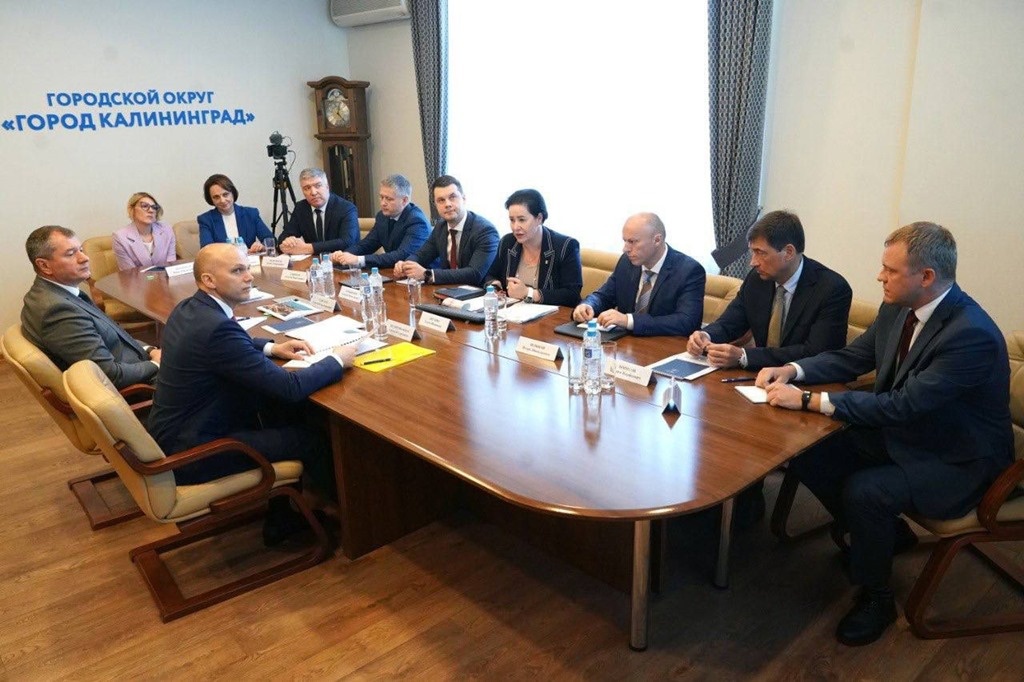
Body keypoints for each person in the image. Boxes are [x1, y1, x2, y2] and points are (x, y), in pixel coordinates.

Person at [757, 222, 1012, 646]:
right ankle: (885, 536)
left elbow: (902, 405)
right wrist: (794, 370)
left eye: (890, 270)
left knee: (866, 491)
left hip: (959, 459)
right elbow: (854, 357)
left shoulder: (971, 334)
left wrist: (809, 400)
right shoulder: (898, 308)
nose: (880, 277)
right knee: (806, 451)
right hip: (911, 434)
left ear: (926, 276)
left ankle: (877, 597)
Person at [147, 243, 356, 492]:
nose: (249, 277)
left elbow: (224, 346)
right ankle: (325, 509)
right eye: (237, 271)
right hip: (196, 452)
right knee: (310, 438)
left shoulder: (188, 309)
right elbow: (291, 387)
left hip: (175, 433)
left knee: (280, 409)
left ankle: (287, 508)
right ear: (209, 280)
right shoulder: (217, 329)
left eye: (247, 268)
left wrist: (271, 348)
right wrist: (337, 360)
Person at [687, 210, 852, 369]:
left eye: (761, 253)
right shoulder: (756, 279)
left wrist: (745, 357)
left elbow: (815, 353)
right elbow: (729, 323)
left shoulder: (832, 289)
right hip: (760, 376)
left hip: (806, 381)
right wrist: (706, 336)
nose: (753, 262)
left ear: (788, 252)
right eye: (753, 252)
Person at [20, 225, 160, 388]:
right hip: (142, 385)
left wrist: (150, 350)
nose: (84, 258)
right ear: (44, 266)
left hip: (136, 363)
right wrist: (156, 364)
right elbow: (110, 376)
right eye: (71, 254)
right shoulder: (58, 311)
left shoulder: (55, 294)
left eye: (80, 250)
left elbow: (114, 336)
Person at [572, 213, 705, 336]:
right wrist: (588, 305)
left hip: (664, 346)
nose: (625, 249)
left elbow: (686, 322)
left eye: (632, 242)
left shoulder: (689, 271)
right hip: (625, 344)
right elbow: (604, 296)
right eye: (625, 241)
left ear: (657, 240)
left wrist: (629, 320)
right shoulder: (626, 262)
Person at [393, 174, 498, 286]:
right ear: (435, 205)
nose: (447, 204)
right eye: (441, 200)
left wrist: (427, 274)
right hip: (448, 290)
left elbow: (474, 274)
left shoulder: (485, 231)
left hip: (479, 292)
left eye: (452, 197)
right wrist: (406, 265)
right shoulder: (441, 227)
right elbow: (422, 255)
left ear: (463, 199)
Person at [485, 189, 582, 307]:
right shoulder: (508, 242)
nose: (515, 227)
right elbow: (490, 275)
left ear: (539, 218)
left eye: (522, 220)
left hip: (552, 316)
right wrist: (495, 287)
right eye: (512, 220)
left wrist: (529, 293)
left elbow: (572, 295)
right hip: (512, 313)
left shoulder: (566, 246)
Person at [330, 173, 430, 270]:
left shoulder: (417, 221)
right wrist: (344, 255)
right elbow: (366, 244)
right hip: (394, 272)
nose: (383, 203)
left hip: (422, 276)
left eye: (389, 199)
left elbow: (402, 255)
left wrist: (359, 260)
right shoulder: (382, 217)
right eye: (381, 197)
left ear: (404, 200)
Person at [278, 168, 359, 255]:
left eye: (318, 186)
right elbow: (283, 238)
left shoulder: (346, 208)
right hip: (314, 261)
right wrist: (287, 241)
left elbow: (346, 241)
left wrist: (308, 248)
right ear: (303, 191)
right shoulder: (301, 208)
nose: (313, 192)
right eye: (307, 188)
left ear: (327, 186)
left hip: (342, 260)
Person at [197, 173, 273, 251]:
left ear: (233, 193)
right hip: (223, 259)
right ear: (211, 199)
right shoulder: (206, 220)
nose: (222, 200)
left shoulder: (251, 214)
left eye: (225, 194)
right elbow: (206, 249)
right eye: (216, 197)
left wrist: (262, 246)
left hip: (250, 258)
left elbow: (270, 240)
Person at [112, 192, 177, 270]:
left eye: (154, 207)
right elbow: (130, 272)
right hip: (136, 278)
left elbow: (171, 266)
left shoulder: (167, 229)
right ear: (132, 209)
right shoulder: (120, 237)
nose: (151, 210)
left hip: (166, 277)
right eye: (145, 206)